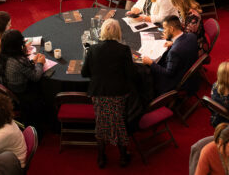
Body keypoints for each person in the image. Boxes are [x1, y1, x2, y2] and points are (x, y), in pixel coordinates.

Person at [82, 19, 135, 168]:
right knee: (118, 121)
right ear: (118, 32)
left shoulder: (92, 50)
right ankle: (123, 156)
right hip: (119, 93)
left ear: (103, 32)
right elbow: (131, 74)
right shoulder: (124, 50)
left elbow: (84, 73)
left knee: (101, 122)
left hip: (99, 93)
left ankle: (101, 157)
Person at [141, 15, 198, 95]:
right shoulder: (192, 36)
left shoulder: (174, 52)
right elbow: (183, 45)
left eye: (164, 28)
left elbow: (168, 73)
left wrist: (150, 63)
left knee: (144, 72)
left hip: (176, 81)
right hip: (191, 74)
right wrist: (174, 43)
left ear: (171, 29)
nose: (163, 31)